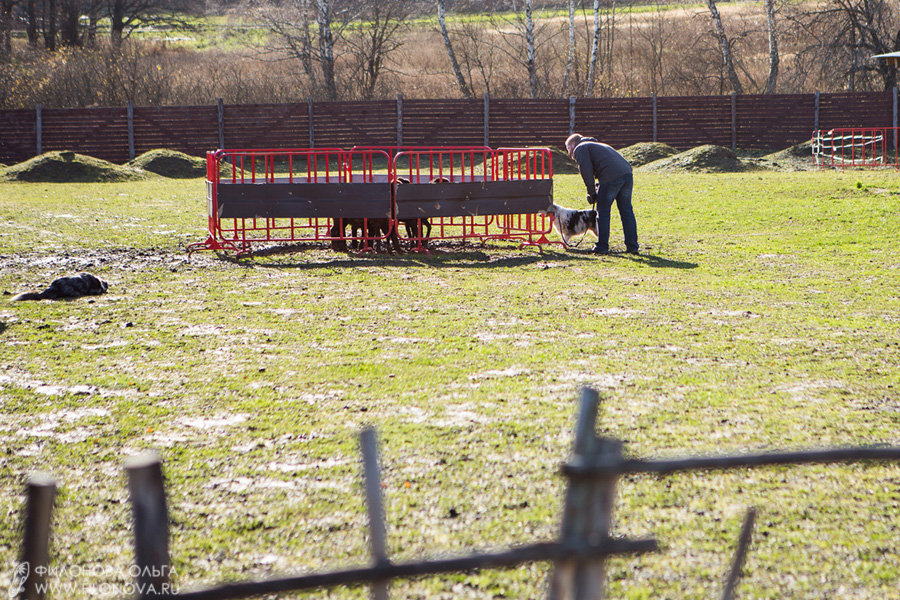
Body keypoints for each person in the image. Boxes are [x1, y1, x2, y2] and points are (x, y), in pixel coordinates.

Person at [565, 133, 639, 255]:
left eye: (568, 148)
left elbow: (586, 172)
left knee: (602, 212)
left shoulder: (580, 148)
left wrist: (592, 193)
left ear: (573, 144)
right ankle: (632, 246)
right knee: (626, 211)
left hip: (611, 177)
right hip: (627, 174)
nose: (569, 153)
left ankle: (602, 246)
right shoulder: (598, 145)